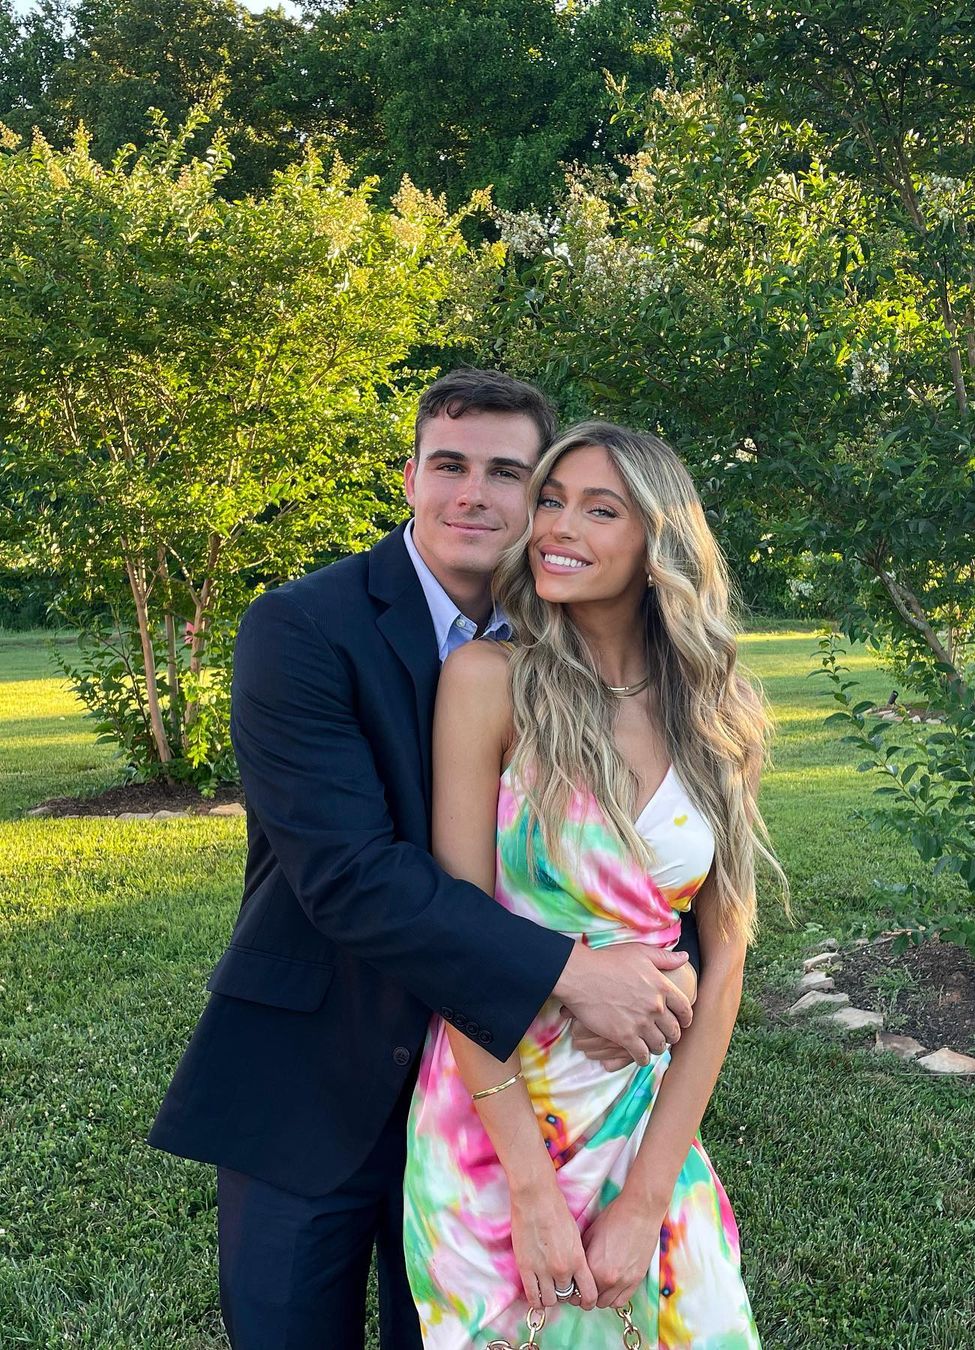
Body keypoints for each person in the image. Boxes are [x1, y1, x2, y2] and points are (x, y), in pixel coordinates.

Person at [148, 371, 701, 1350]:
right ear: (409, 479)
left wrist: (670, 973)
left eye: (508, 474)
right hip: (313, 1075)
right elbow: (349, 876)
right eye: (449, 465)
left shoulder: (570, 651)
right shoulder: (303, 626)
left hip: (506, 1102)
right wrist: (579, 975)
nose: (473, 495)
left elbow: (640, 854)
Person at [404, 421, 781, 1348]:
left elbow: (725, 963)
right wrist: (531, 1194)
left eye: (599, 510)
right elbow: (458, 945)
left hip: (645, 1120)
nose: (557, 528)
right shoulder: (489, 681)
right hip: (494, 1134)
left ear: (658, 542)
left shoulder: (717, 709)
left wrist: (647, 1200)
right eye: (550, 501)